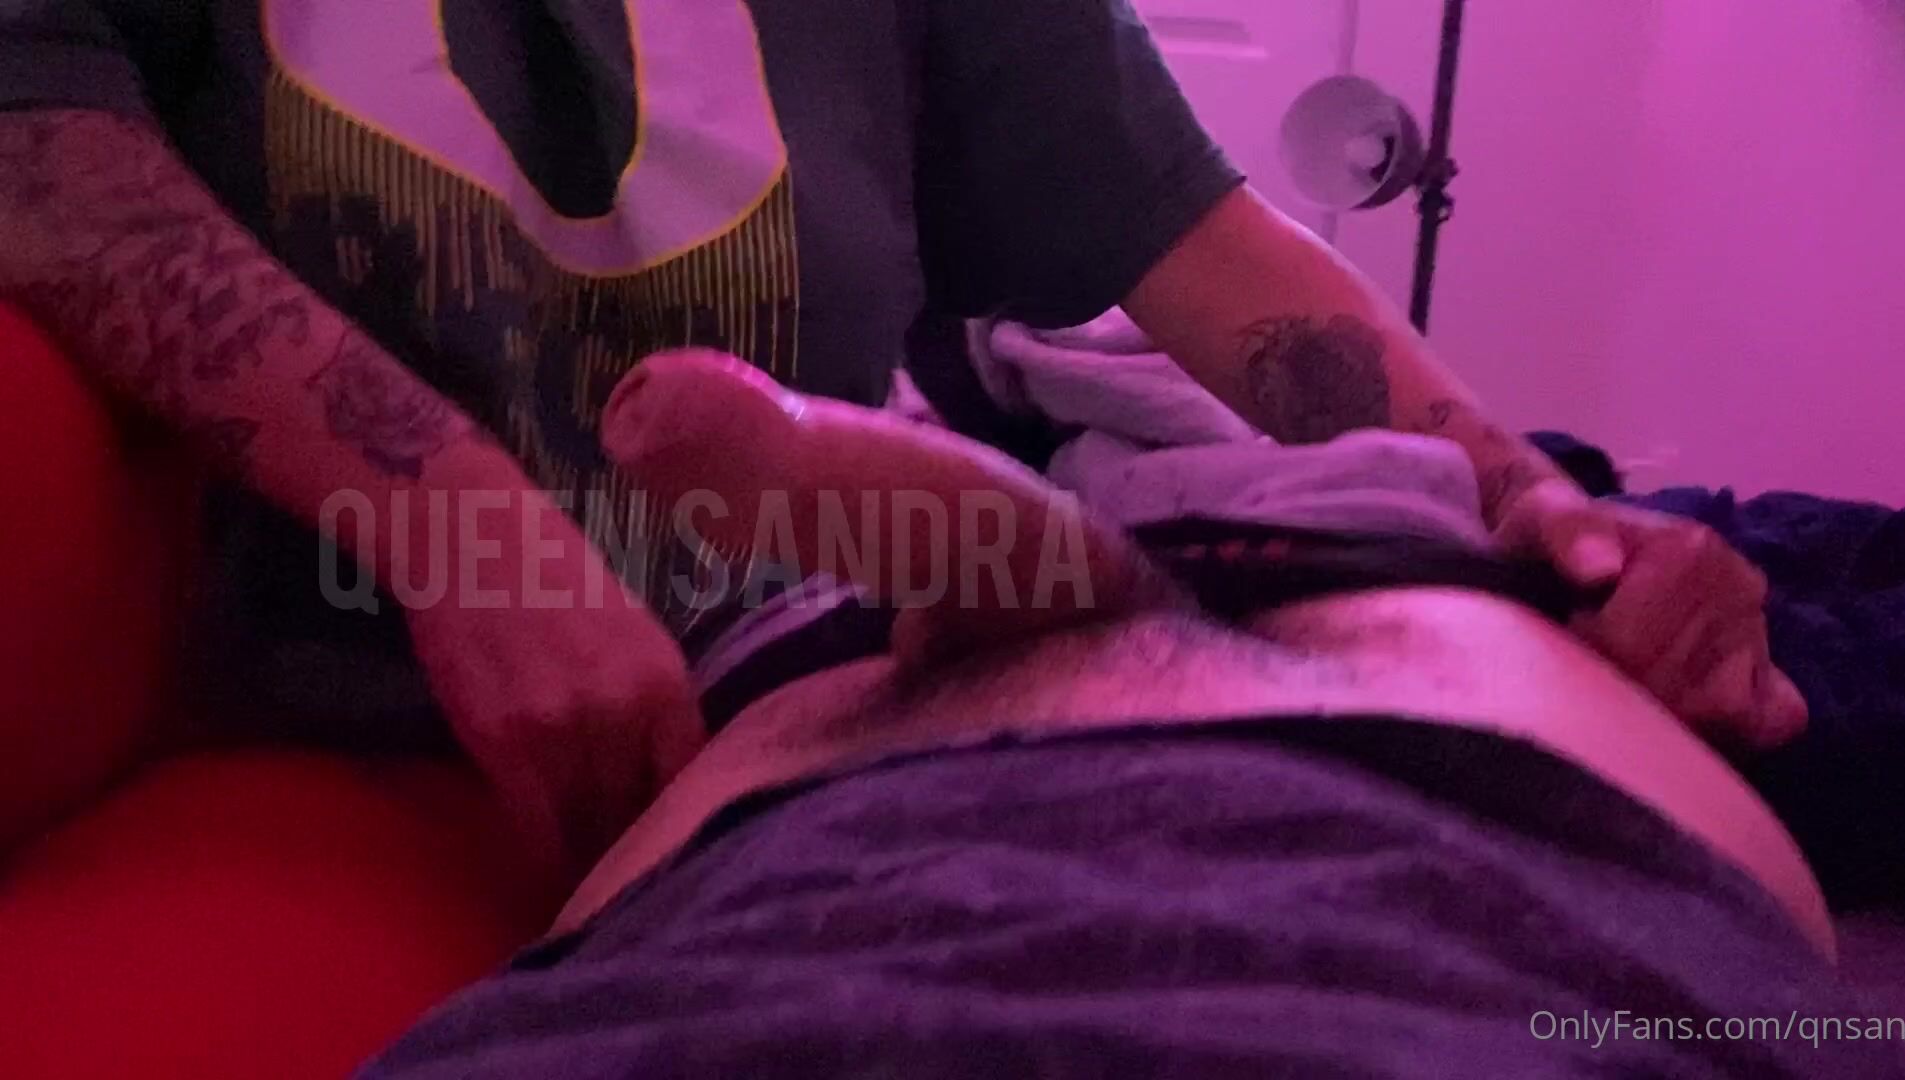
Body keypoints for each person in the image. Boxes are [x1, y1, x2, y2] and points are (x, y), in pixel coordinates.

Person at [0, 0, 1802, 870]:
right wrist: (452, 521)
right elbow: (35, 135)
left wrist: (1533, 504)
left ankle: (1024, 551)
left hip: (841, 649)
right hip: (421, 715)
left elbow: (1203, 248)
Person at [348, 359, 1905, 1078]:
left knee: (1779, 574)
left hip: (1401, 576)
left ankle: (1042, 572)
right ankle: (1034, 569)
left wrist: (1555, 502)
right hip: (1421, 632)